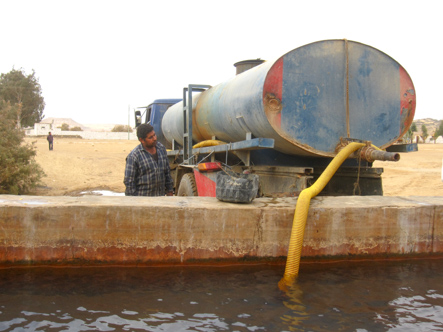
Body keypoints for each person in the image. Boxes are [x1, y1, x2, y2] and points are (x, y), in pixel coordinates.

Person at [124, 124, 174, 196]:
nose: (154, 138)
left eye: (154, 135)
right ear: (141, 140)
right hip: (143, 202)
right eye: (150, 137)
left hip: (161, 200)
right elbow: (129, 182)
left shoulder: (161, 149)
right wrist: (133, 203)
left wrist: (170, 191)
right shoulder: (134, 156)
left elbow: (167, 173)